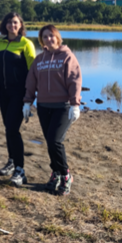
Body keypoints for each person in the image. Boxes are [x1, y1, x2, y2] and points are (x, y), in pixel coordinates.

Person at [23, 24, 82, 196]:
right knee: (50, 142)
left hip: (62, 107)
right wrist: (27, 101)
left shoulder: (67, 57)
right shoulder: (39, 59)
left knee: (55, 140)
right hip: (43, 106)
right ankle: (55, 173)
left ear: (57, 36)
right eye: (45, 37)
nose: (49, 39)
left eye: (51, 35)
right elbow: (31, 81)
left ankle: (65, 174)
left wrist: (75, 104)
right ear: (42, 41)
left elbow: (74, 81)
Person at [0, 13, 36, 187]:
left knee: (12, 129)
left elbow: (33, 71)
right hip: (4, 91)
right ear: (5, 25)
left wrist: (30, 96)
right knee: (7, 128)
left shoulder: (26, 44)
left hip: (20, 93)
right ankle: (11, 161)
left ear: (20, 25)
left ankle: (20, 169)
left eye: (15, 22)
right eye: (9, 22)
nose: (12, 25)